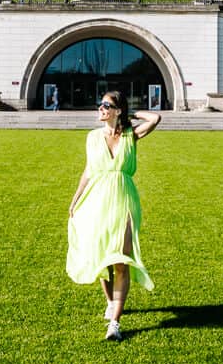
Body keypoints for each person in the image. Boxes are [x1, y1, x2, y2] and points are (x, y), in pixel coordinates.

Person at [67, 90, 160, 341]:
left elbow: (155, 118)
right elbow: (88, 170)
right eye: (100, 105)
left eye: (106, 105)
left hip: (124, 200)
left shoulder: (131, 135)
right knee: (103, 259)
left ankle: (115, 324)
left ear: (118, 110)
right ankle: (111, 302)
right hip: (97, 200)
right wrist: (75, 200)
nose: (101, 108)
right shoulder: (92, 137)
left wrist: (133, 112)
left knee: (121, 259)